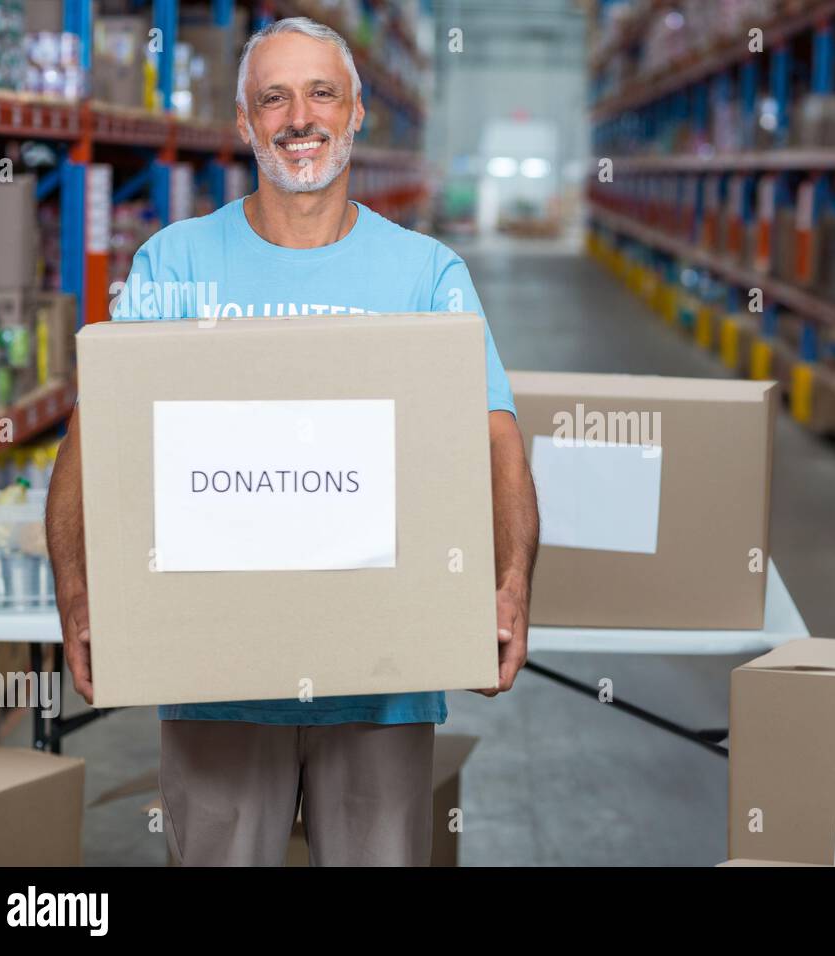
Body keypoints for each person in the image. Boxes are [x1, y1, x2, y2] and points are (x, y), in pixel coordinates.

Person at [44, 16, 540, 866]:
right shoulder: (174, 267)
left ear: (355, 116)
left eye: (322, 94)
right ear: (243, 122)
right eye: (272, 97)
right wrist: (81, 593)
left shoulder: (425, 275)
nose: (298, 117)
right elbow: (100, 441)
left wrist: (511, 581)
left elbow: (496, 443)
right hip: (214, 678)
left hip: (384, 678)